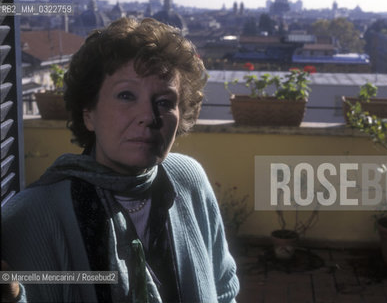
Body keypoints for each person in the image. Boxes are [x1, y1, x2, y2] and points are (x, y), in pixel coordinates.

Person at [2, 17, 239, 302]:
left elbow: (224, 288)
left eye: (164, 102)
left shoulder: (188, 179)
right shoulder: (31, 215)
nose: (149, 117)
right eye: (126, 95)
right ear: (88, 113)